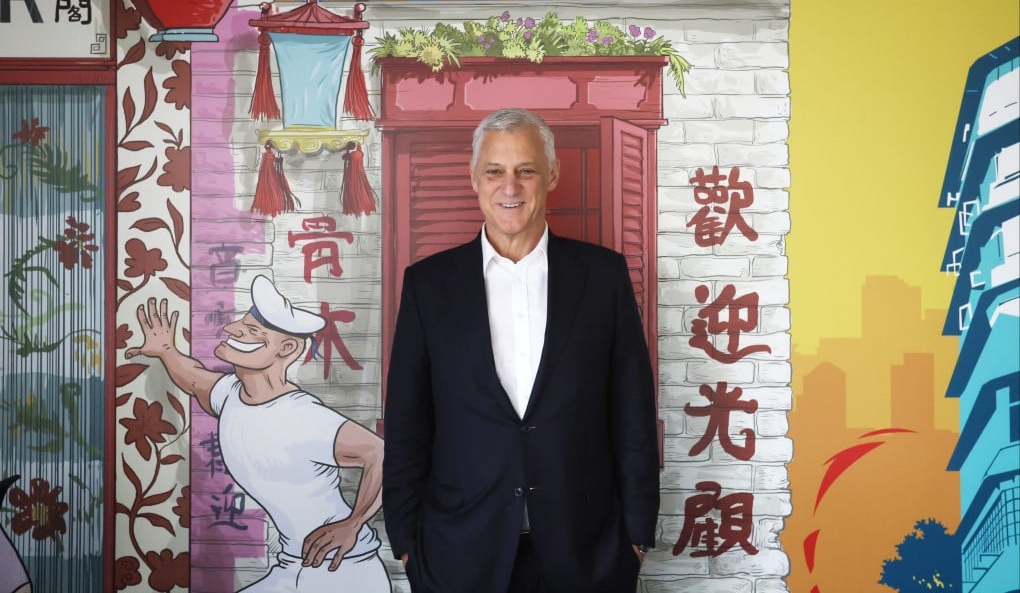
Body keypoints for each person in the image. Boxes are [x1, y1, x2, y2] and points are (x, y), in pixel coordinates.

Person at [383, 108, 659, 592]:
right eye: (495, 171)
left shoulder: (603, 278)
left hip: (586, 552)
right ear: (474, 178)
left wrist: (635, 538)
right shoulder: (428, 286)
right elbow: (408, 423)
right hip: (459, 553)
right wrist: (407, 542)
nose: (509, 187)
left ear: (551, 174)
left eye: (525, 170)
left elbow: (632, 414)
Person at [127, 276, 391, 592]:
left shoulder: (303, 417)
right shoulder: (230, 395)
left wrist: (353, 524)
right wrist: (167, 349)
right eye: (242, 324)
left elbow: (382, 454)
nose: (232, 330)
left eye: (252, 331)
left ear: (288, 348)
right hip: (294, 566)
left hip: (344, 571)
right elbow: (195, 379)